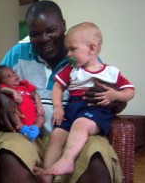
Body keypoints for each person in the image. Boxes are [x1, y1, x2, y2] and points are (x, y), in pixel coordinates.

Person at [0, 0, 125, 183]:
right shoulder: (17, 53)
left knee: (97, 158)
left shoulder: (84, 57)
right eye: (35, 34)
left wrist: (115, 99)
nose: (44, 38)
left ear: (63, 26)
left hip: (75, 136)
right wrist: (1, 97)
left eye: (51, 30)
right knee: (9, 154)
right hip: (28, 135)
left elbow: (116, 97)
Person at [37, 22, 135, 182]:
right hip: (72, 109)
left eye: (72, 49)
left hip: (96, 112)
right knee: (56, 135)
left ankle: (67, 160)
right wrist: (58, 108)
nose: (68, 53)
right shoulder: (72, 69)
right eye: (67, 49)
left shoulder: (111, 72)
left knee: (80, 124)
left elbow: (130, 91)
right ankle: (48, 174)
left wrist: (115, 95)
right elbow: (57, 87)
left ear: (92, 48)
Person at [0, 65, 45, 141]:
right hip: (19, 117)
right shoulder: (4, 87)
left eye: (13, 72)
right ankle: (24, 130)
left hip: (32, 117)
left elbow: (34, 94)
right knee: (14, 115)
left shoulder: (24, 84)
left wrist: (39, 104)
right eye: (8, 76)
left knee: (41, 118)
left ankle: (34, 130)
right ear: (1, 81)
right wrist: (13, 91)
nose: (14, 75)